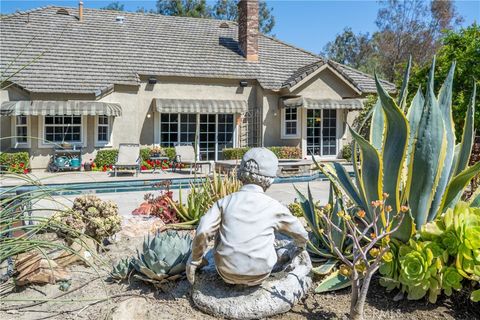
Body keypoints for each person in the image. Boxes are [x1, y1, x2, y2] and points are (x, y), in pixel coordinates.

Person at [186, 147, 308, 286]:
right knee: (280, 237)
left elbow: (203, 230)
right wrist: (300, 246)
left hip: (226, 272)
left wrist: (195, 260)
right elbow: (301, 234)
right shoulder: (275, 207)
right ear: (271, 179)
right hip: (260, 273)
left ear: (240, 173)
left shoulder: (224, 202)